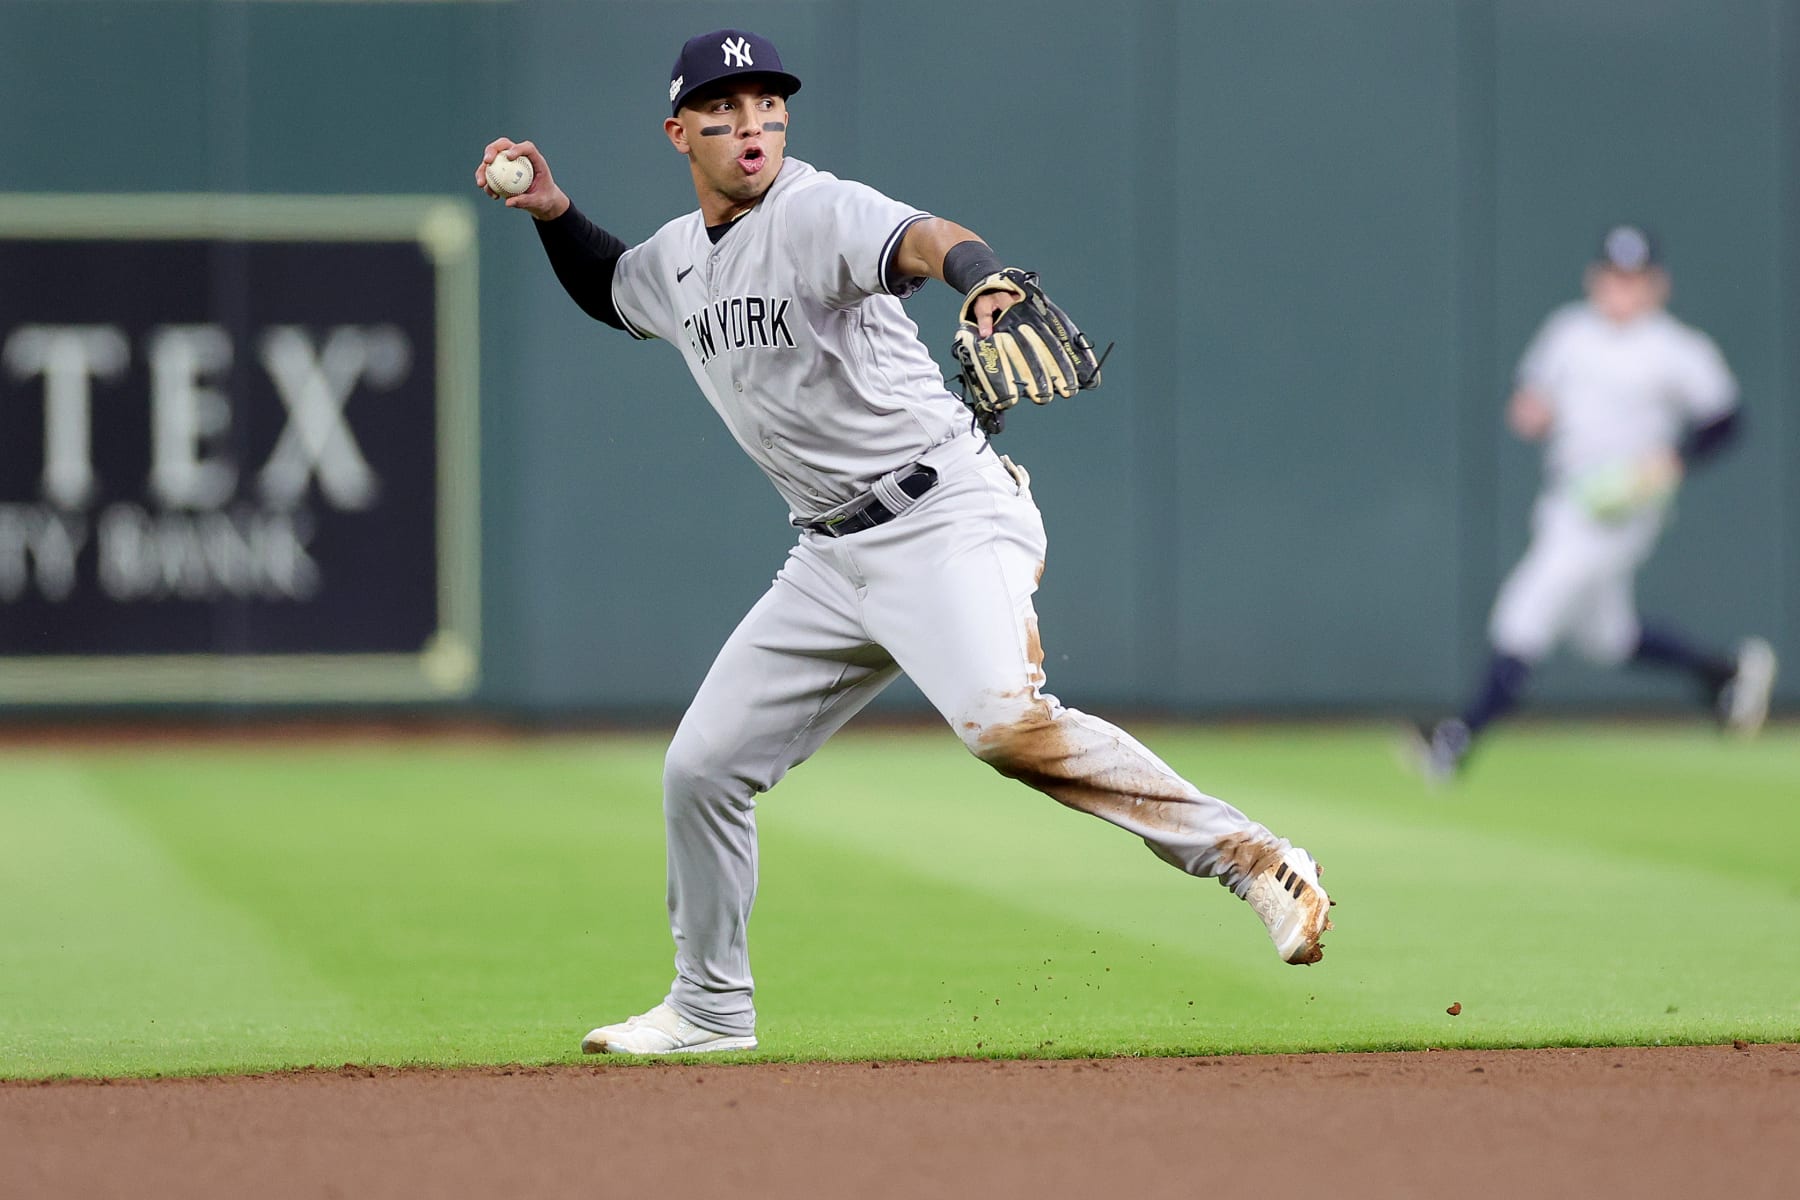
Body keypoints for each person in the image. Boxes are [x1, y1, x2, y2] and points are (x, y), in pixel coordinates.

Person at [476, 28, 1333, 1056]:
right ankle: (708, 1011)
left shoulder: (818, 209)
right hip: (831, 559)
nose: (752, 126)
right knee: (701, 769)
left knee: (1001, 725)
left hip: (943, 512)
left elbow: (925, 238)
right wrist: (554, 213)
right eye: (724, 109)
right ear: (678, 131)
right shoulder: (678, 262)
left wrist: (981, 275)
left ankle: (1251, 857)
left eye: (767, 107)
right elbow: (613, 288)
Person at [1411, 224, 1777, 782]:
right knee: (1607, 639)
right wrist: (1533, 411)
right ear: (1595, 277)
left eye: (1633, 278)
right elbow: (1533, 400)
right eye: (1613, 275)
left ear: (1656, 284)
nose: (1621, 288)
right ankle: (1723, 672)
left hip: (1624, 505)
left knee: (1528, 606)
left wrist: (1673, 460)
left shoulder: (1675, 348)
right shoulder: (1568, 332)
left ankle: (1458, 737)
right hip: (1568, 493)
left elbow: (1727, 421)